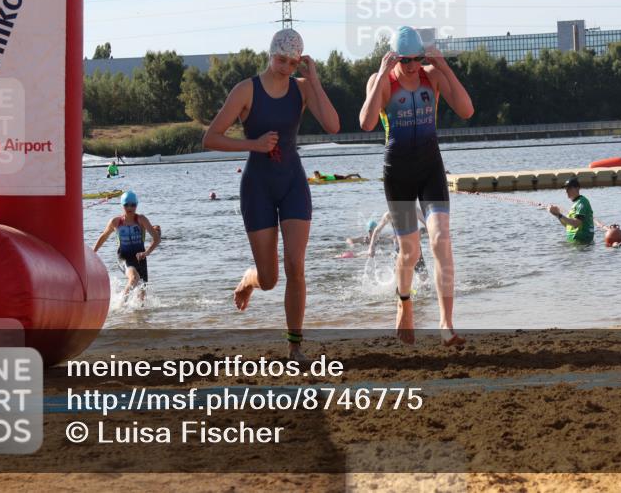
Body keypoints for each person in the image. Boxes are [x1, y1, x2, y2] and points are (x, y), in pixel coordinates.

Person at [202, 28, 339, 361]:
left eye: (294, 63)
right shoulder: (245, 90)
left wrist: (315, 81)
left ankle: (295, 347)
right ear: (270, 54)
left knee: (296, 265)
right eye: (282, 60)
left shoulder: (303, 88)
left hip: (293, 182)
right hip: (258, 187)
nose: (287, 68)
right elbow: (211, 138)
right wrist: (253, 144)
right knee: (270, 278)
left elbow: (333, 126)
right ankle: (250, 279)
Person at [359, 26, 474, 346]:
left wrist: (444, 66)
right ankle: (404, 304)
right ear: (394, 56)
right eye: (404, 59)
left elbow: (466, 110)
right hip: (397, 174)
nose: (411, 65)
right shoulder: (381, 80)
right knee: (409, 251)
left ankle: (446, 324)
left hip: (430, 170)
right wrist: (382, 74)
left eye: (416, 58)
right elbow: (366, 123)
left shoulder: (432, 76)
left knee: (441, 240)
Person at [93, 190, 160, 304]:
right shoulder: (115, 222)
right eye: (126, 205)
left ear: (136, 205)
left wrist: (146, 252)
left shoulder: (141, 220)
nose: (130, 207)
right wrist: (93, 252)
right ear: (122, 205)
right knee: (134, 278)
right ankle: (120, 305)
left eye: (133, 205)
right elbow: (103, 236)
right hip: (124, 258)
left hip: (141, 258)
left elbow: (157, 239)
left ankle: (136, 320)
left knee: (142, 298)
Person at [367, 210, 428, 279]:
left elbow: (429, 225)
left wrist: (421, 231)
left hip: (415, 247)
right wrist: (371, 247)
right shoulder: (389, 214)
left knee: (424, 279)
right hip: (400, 248)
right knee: (397, 278)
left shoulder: (414, 210)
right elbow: (377, 230)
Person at [547, 178, 595, 244]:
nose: (566, 191)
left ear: (577, 188)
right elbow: (567, 225)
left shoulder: (582, 202)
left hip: (582, 241)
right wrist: (556, 214)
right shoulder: (575, 203)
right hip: (574, 241)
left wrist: (560, 215)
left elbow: (576, 223)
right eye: (566, 189)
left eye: (569, 188)